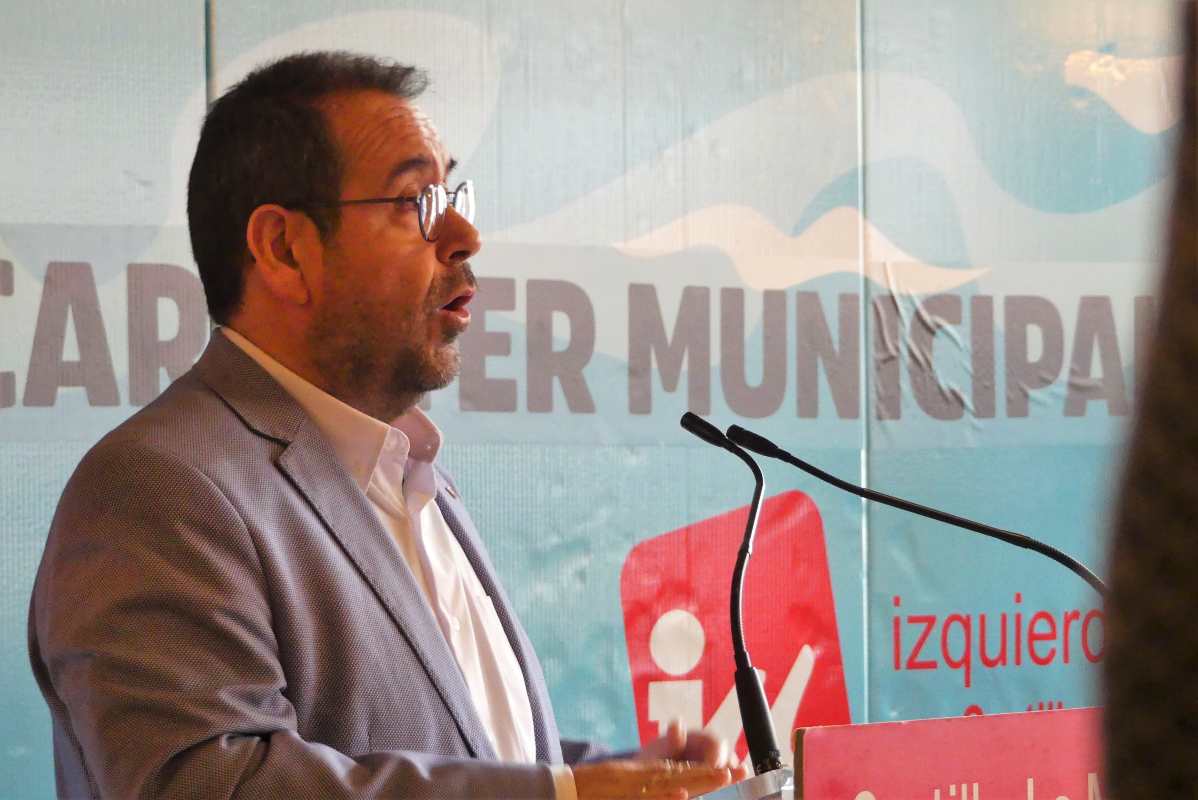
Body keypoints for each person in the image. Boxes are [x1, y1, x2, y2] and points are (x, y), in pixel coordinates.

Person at [28, 51, 744, 799]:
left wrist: (616, 778)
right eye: (415, 200)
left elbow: (459, 746)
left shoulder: (407, 469)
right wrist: (563, 797)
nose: (464, 233)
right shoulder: (158, 488)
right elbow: (209, 781)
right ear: (284, 250)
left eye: (453, 193)